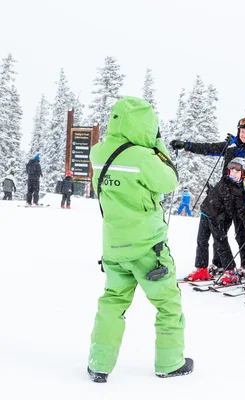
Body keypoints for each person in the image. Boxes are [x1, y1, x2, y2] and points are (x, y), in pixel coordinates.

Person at [87, 96, 192, 383]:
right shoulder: (144, 158)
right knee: (167, 303)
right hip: (149, 248)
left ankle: (99, 363)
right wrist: (157, 145)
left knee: (112, 302)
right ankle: (170, 362)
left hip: (113, 245)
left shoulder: (98, 153)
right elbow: (170, 180)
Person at [171, 118, 245, 275]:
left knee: (242, 233)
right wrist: (186, 145)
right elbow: (207, 148)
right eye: (242, 132)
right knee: (220, 231)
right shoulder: (230, 146)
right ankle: (218, 264)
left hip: (243, 197)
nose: (244, 135)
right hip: (224, 196)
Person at [186, 157, 245, 284]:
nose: (233, 171)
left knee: (220, 243)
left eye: (237, 170)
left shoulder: (239, 191)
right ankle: (201, 268)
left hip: (218, 218)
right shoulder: (224, 180)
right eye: (231, 168)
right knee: (201, 241)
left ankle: (230, 271)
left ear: (243, 173)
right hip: (205, 213)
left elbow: (237, 210)